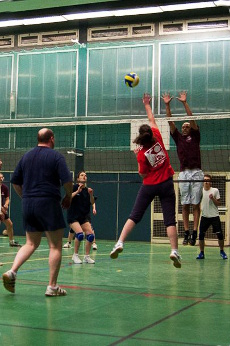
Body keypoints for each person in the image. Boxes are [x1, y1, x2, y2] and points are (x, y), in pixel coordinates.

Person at [110, 93, 181, 268]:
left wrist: (137, 158)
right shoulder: (157, 136)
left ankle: (120, 242)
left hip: (149, 186)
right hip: (166, 184)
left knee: (134, 216)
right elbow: (152, 118)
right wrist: (148, 105)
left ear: (141, 136)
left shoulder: (141, 154)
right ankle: (174, 251)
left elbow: (142, 174)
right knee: (170, 220)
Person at [2, 128, 73, 296]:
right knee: (55, 246)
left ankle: (12, 271)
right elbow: (68, 180)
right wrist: (69, 196)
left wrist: (25, 197)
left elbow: (15, 181)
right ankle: (52, 286)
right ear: (52, 139)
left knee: (30, 243)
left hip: (28, 204)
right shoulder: (56, 156)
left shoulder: (26, 156)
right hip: (48, 202)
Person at [162, 91, 204, 246]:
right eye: (183, 125)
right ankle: (186, 233)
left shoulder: (196, 135)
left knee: (195, 204)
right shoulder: (178, 137)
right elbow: (170, 121)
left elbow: (191, 118)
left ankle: (194, 232)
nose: (185, 126)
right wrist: (167, 105)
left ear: (192, 128)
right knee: (185, 204)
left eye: (187, 125)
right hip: (184, 173)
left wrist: (184, 103)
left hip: (197, 172)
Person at [196, 174, 228, 260]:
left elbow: (219, 203)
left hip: (214, 216)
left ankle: (222, 251)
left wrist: (213, 198)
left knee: (220, 235)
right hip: (204, 216)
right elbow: (197, 203)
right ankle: (202, 253)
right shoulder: (200, 191)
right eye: (204, 180)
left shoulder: (215, 190)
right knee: (201, 235)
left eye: (207, 180)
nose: (206, 181)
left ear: (210, 182)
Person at [67, 171, 96, 264]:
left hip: (83, 217)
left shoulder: (87, 190)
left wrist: (91, 194)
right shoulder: (74, 187)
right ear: (78, 179)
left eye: (85, 175)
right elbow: (68, 198)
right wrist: (77, 192)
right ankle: (75, 255)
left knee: (91, 236)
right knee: (80, 234)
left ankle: (86, 257)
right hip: (73, 216)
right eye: (82, 175)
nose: (84, 177)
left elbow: (92, 202)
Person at [0, 173, 21, 247]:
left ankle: (11, 242)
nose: (1, 179)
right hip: (1, 210)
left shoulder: (4, 188)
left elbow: (7, 198)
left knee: (10, 224)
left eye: (2, 177)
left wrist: (6, 205)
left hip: (2, 210)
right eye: (0, 177)